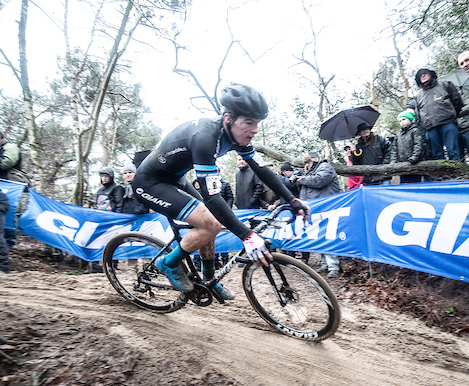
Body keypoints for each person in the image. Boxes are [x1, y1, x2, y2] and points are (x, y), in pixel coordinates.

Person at [132, 83, 309, 300]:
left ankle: (208, 279)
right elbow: (212, 195)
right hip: (150, 183)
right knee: (211, 222)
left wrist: (292, 200)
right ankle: (168, 263)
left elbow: (262, 170)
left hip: (175, 178)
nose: (254, 130)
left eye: (257, 123)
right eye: (249, 123)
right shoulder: (205, 138)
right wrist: (248, 236)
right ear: (228, 119)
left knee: (212, 221)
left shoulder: (238, 137)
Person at [296, 151, 341, 278]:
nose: (306, 165)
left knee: (328, 235)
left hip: (327, 207)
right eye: (305, 163)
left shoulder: (325, 167)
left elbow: (320, 180)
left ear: (314, 161)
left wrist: (303, 179)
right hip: (317, 208)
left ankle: (333, 266)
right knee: (320, 236)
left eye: (308, 162)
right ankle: (325, 264)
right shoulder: (311, 171)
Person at [414, 66, 464, 161]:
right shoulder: (418, 95)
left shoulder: (446, 85)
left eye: (425, 72)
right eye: (420, 75)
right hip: (430, 128)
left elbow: (457, 102)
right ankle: (441, 176)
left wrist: (451, 115)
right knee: (437, 155)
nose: (423, 75)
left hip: (447, 123)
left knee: (453, 151)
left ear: (431, 73)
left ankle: (456, 174)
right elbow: (418, 114)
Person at [442, 68, 469, 169]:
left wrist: (456, 113)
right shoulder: (448, 100)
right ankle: (462, 176)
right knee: (459, 156)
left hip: (467, 129)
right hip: (454, 131)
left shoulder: (465, 96)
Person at [391, 111, 423, 184]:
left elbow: (418, 145)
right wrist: (393, 162)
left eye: (404, 119)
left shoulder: (415, 131)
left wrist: (414, 158)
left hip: (414, 164)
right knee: (404, 183)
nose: (401, 122)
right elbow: (394, 149)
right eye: (400, 121)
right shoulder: (398, 135)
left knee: (415, 184)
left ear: (410, 120)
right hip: (402, 165)